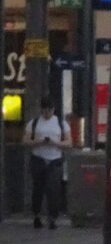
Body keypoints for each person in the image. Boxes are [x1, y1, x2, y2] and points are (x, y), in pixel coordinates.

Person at [22, 96, 71, 230]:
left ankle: (52, 217)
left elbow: (68, 142)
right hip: (38, 158)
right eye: (44, 111)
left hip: (55, 159)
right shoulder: (34, 123)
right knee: (38, 188)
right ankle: (37, 215)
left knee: (53, 189)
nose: (47, 114)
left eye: (49, 111)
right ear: (41, 110)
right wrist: (38, 141)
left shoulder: (61, 123)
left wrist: (55, 143)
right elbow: (25, 140)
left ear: (53, 110)